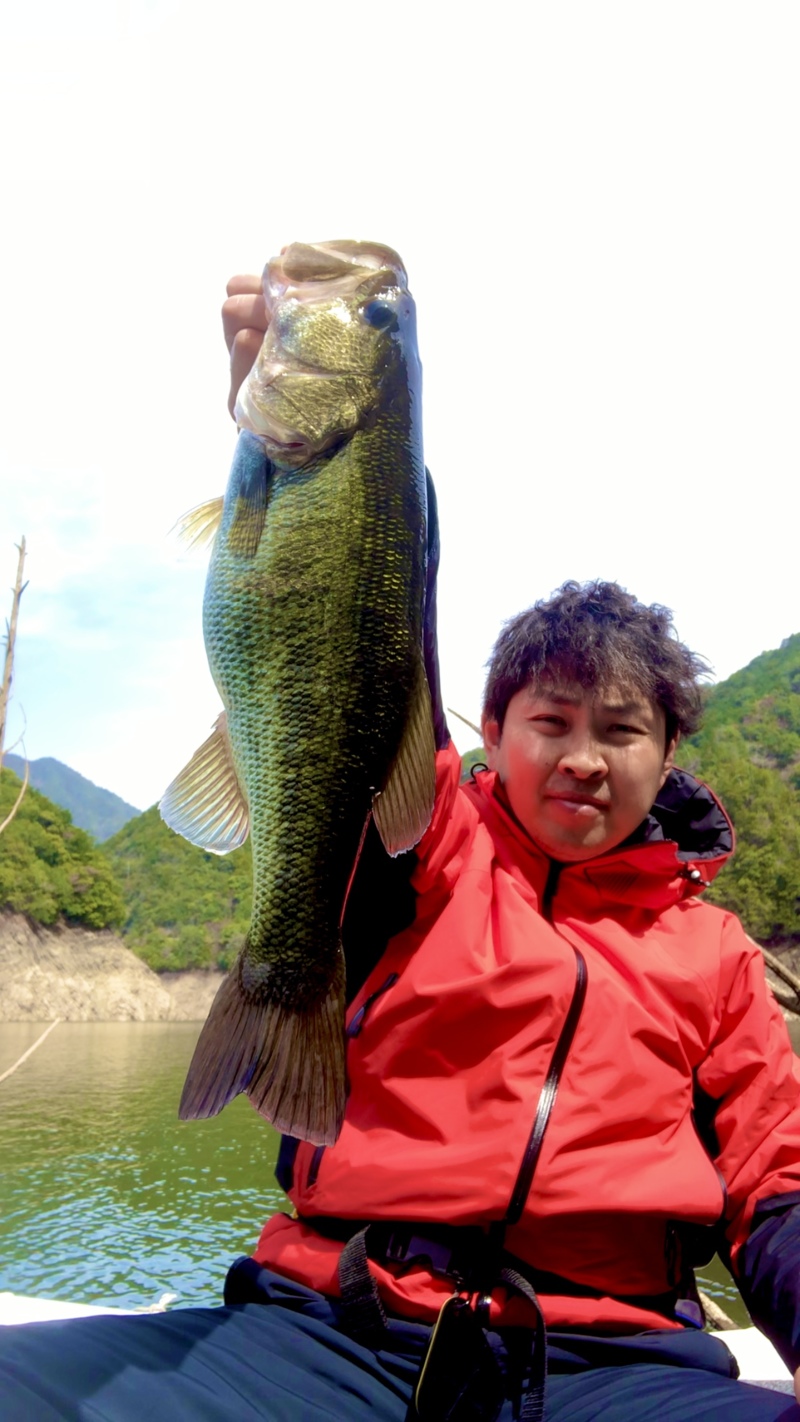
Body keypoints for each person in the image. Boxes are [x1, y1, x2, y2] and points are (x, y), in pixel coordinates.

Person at [2, 283, 800, 1422]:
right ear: (492, 726)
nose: (583, 757)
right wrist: (313, 446)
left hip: (612, 1365)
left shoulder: (714, 954)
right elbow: (365, 652)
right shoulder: (427, 840)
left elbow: (777, 1183)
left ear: (668, 748)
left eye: (621, 730)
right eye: (551, 721)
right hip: (335, 1330)